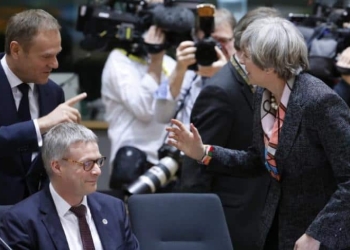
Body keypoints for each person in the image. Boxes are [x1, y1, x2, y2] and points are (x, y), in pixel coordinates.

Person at [166, 17, 350, 249]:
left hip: (318, 237)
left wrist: (317, 233)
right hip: (276, 228)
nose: (240, 59)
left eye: (247, 55)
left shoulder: (319, 101)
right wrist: (203, 152)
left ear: (270, 64)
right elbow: (257, 160)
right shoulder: (263, 94)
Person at [179, 7, 281, 250]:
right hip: (230, 223)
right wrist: (197, 234)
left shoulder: (265, 83)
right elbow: (196, 167)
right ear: (246, 45)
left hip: (264, 216)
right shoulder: (220, 91)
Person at [0, 122, 140, 250]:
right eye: (87, 164)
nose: (97, 171)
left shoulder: (114, 209)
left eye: (98, 161)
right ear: (57, 167)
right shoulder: (21, 221)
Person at [0, 9, 86, 205]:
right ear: (16, 50)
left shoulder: (53, 92)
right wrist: (39, 125)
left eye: (57, 55)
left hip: (36, 212)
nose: (55, 64)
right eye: (46, 56)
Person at [101, 21, 176, 192]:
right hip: (132, 164)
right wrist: (155, 61)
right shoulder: (119, 60)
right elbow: (143, 109)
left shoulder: (170, 62)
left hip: (167, 164)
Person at [154, 8, 236, 127]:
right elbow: (161, 116)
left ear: (235, 41)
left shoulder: (246, 75)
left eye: (221, 41)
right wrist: (179, 69)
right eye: (209, 41)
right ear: (197, 40)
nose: (215, 48)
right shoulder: (188, 74)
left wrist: (225, 75)